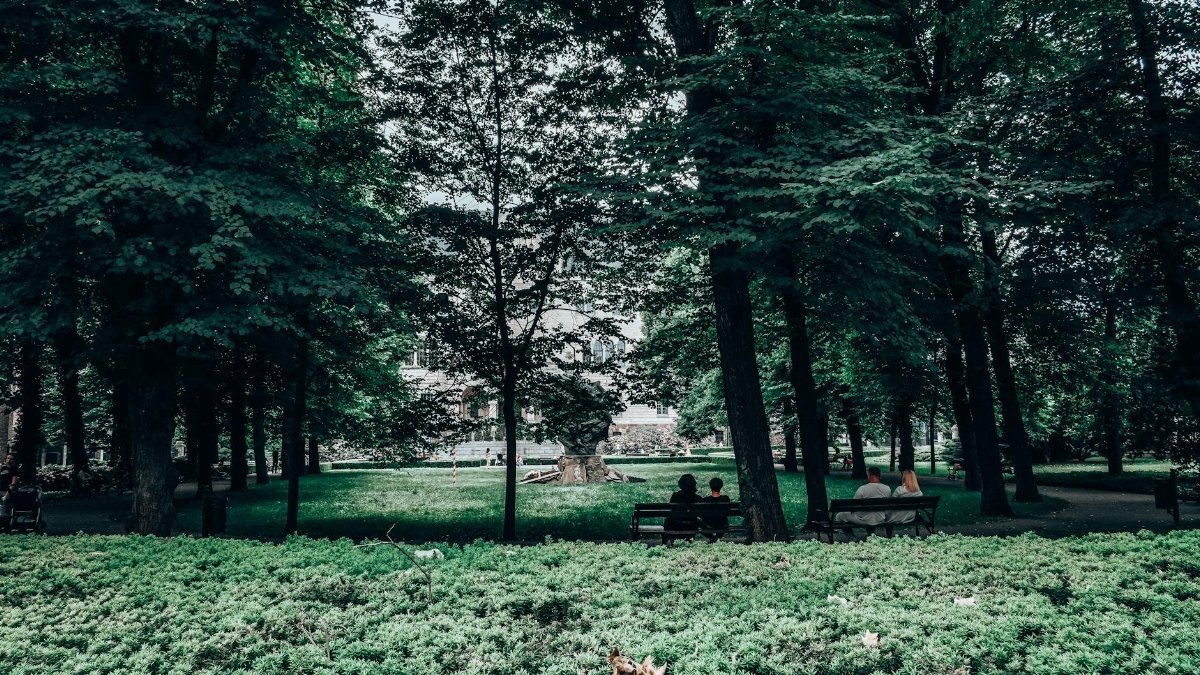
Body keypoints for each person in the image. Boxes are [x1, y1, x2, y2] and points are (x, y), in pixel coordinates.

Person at [664, 473, 701, 544]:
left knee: (667, 520)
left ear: (680, 484)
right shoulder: (697, 498)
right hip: (692, 525)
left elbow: (671, 510)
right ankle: (690, 538)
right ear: (694, 484)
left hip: (676, 525)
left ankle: (671, 541)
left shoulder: (675, 496)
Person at [700, 476, 732, 541]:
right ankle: (716, 537)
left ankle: (712, 537)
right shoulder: (726, 499)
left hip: (709, 525)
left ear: (710, 487)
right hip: (722, 525)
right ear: (721, 486)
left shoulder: (705, 500)